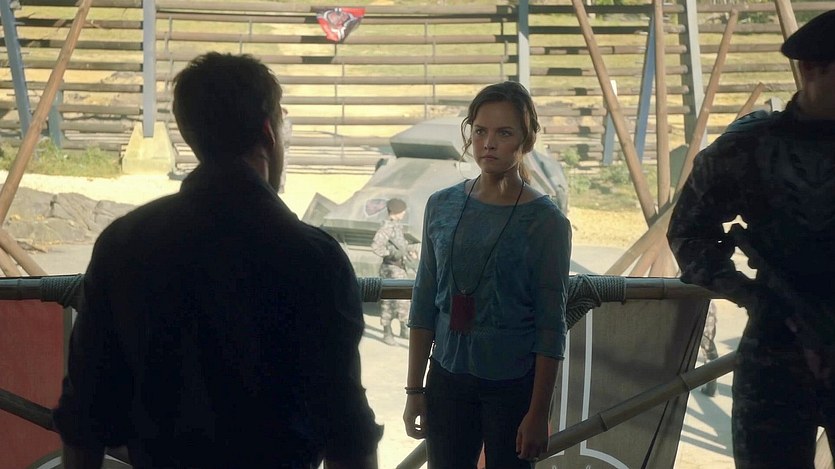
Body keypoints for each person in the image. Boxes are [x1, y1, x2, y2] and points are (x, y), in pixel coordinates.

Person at [52, 52, 382, 469]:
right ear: (269, 132)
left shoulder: (123, 242)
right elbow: (346, 428)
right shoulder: (314, 256)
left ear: (190, 133)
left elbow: (85, 414)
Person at [668, 10, 835, 468]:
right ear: (812, 69)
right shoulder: (750, 147)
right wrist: (750, 294)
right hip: (778, 347)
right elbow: (688, 232)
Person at [402, 81, 572, 468]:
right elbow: (424, 300)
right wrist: (414, 389)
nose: (489, 143)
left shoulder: (546, 222)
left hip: (512, 384)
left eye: (504, 133)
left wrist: (539, 412)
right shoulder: (441, 205)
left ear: (526, 140)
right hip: (446, 377)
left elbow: (551, 322)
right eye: (480, 131)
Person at [371, 197, 417, 345]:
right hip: (390, 270)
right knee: (388, 302)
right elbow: (376, 247)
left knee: (404, 301)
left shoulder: (396, 226)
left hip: (400, 269)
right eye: (402, 211)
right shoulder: (386, 228)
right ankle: (387, 333)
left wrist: (409, 250)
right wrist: (391, 253)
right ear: (396, 211)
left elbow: (401, 245)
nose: (404, 213)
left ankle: (404, 329)